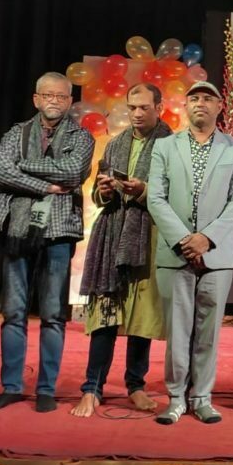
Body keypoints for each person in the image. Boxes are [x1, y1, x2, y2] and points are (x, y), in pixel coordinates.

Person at [0, 72, 93, 413]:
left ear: (70, 101)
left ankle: (46, 389)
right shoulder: (16, 133)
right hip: (17, 229)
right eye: (48, 95)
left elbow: (73, 172)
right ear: (36, 99)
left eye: (61, 96)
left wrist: (24, 168)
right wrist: (45, 185)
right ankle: (11, 386)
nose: (54, 101)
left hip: (59, 231)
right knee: (14, 311)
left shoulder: (81, 136)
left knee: (53, 314)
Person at [147, 80, 233, 425]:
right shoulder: (164, 146)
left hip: (216, 256)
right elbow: (155, 197)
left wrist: (207, 238)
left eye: (208, 98)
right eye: (194, 98)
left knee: (209, 331)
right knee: (177, 331)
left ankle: (202, 397)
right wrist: (183, 239)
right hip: (174, 253)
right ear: (185, 106)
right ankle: (176, 398)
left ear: (220, 106)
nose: (200, 103)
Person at [71, 84, 171, 418]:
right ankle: (92, 387)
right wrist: (102, 191)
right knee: (105, 313)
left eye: (144, 107)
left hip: (149, 236)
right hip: (112, 237)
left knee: (141, 315)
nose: (137, 114)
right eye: (132, 108)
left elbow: (177, 195)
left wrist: (143, 191)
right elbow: (98, 196)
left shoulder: (171, 145)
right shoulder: (115, 144)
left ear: (159, 107)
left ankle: (136, 385)